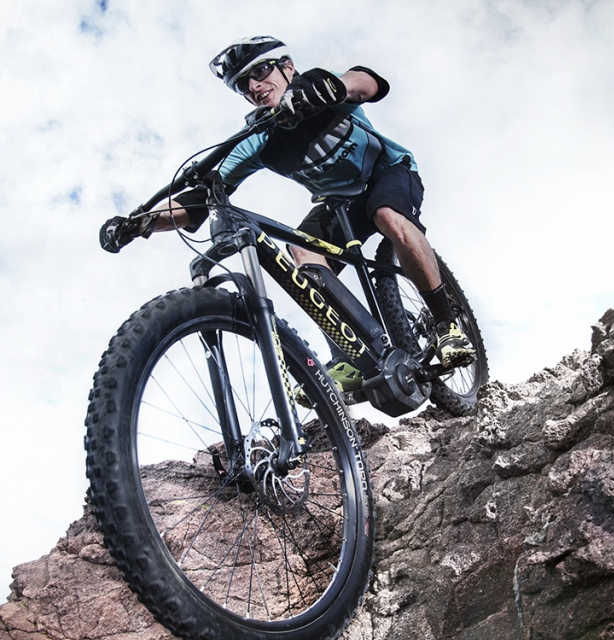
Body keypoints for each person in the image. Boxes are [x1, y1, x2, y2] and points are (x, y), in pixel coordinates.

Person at [100, 35, 475, 393]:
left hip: (387, 172)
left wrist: (330, 88)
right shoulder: (259, 139)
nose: (253, 86)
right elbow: (200, 199)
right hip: (339, 203)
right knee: (302, 252)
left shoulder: (318, 88)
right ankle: (349, 356)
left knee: (388, 215)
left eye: (260, 72)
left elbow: (367, 83)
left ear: (288, 67)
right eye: (243, 84)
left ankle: (446, 324)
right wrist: (142, 223)